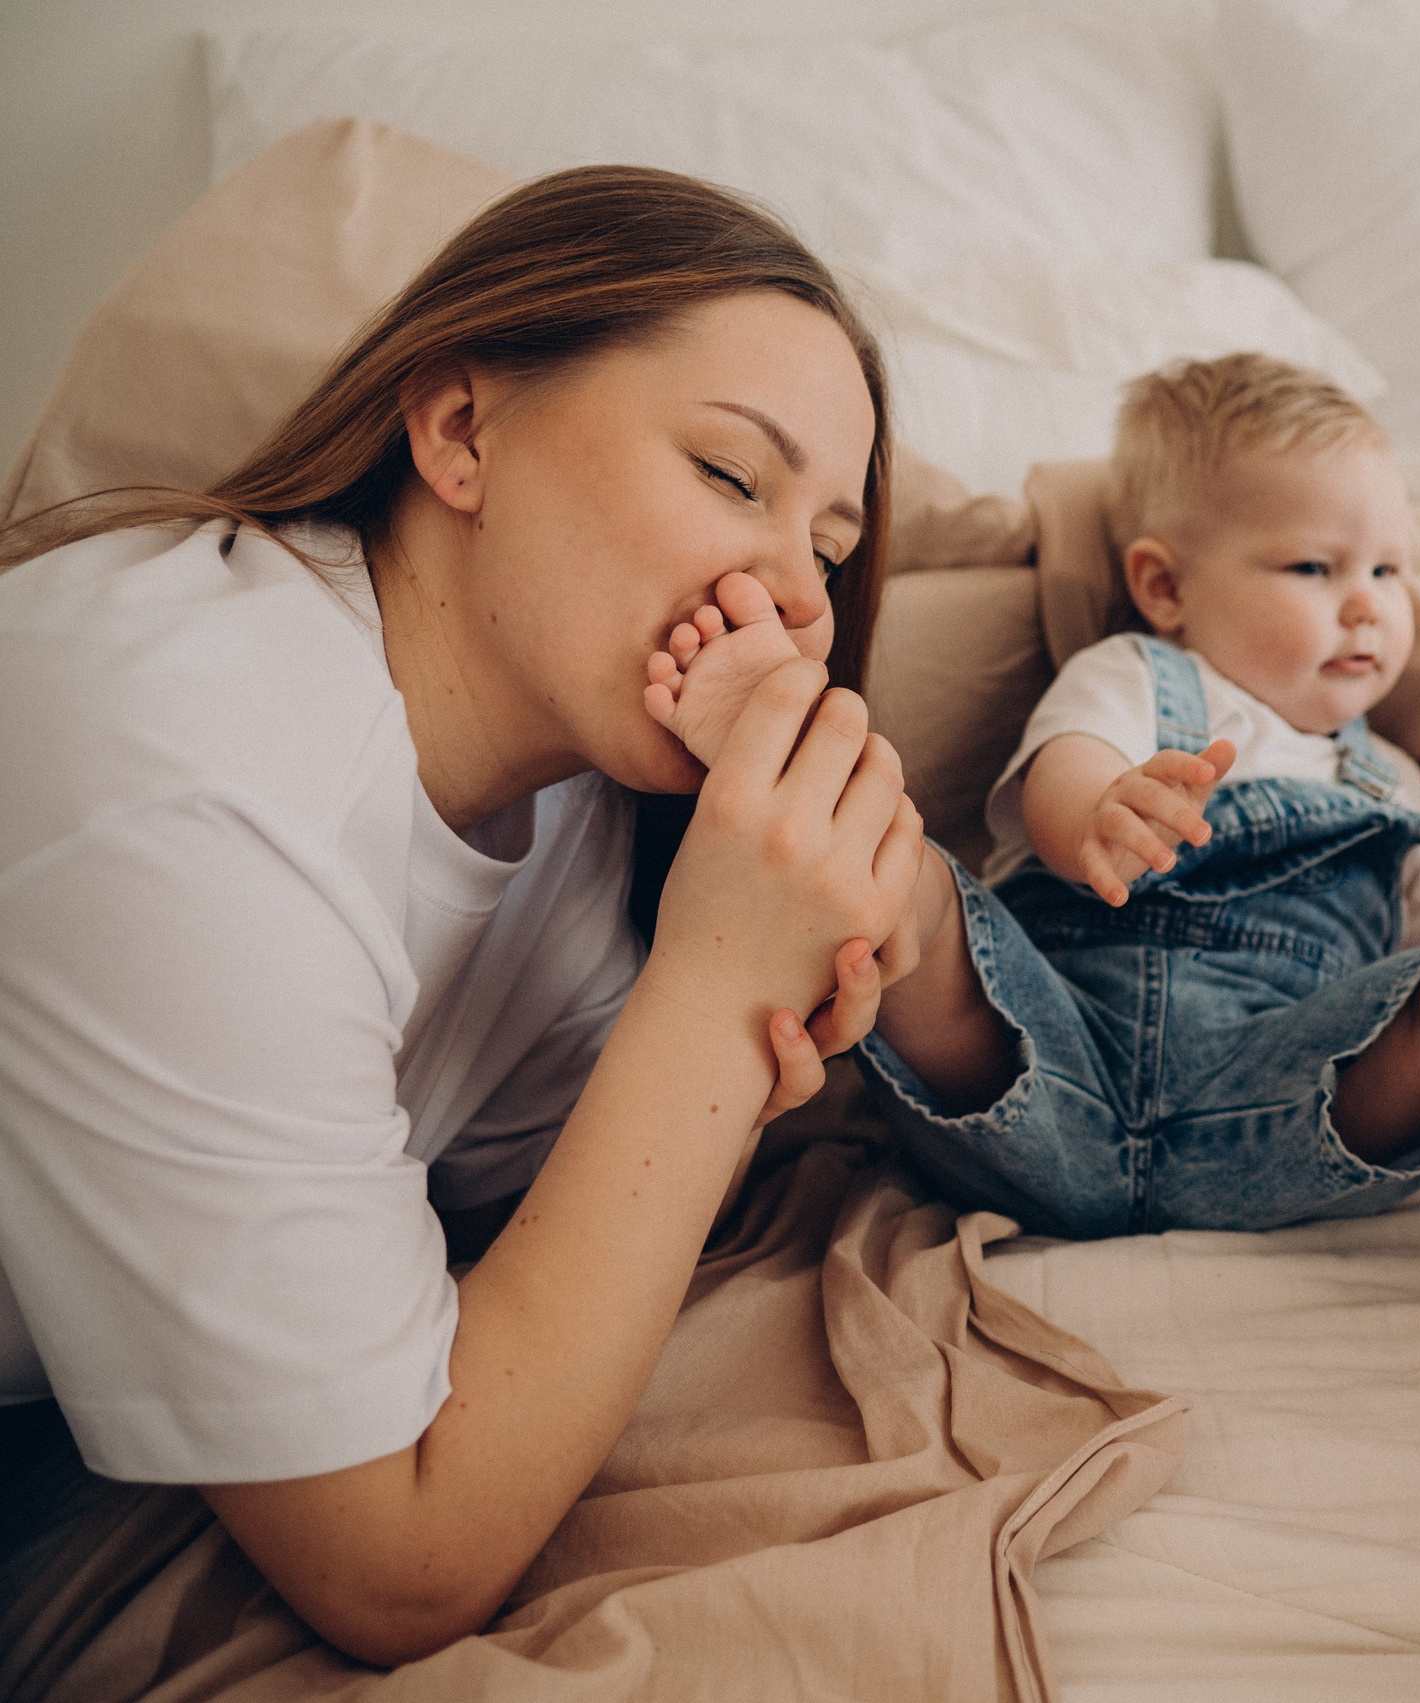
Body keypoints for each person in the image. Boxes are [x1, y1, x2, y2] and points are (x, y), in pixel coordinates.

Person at [0, 167, 923, 1667]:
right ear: (458, 431)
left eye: (827, 547)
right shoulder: (191, 779)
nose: (797, 599)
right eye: (732, 476)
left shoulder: (568, 802)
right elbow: (401, 1562)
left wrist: (744, 1026)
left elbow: (526, 1215)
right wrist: (707, 998)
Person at [643, 353, 1420, 1237]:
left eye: (1386, 570)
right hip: (1042, 1058)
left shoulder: (1397, 781)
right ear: (1163, 586)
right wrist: (1101, 810)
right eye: (1313, 567)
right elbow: (1064, 774)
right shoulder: (1140, 675)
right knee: (908, 881)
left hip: (1296, 1100)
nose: (1367, 604)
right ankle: (775, 736)